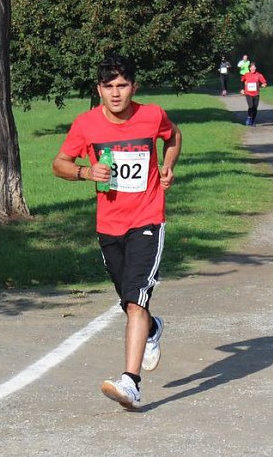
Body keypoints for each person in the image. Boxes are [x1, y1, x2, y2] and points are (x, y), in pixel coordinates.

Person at [52, 54, 182, 410]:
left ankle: (131, 382)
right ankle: (153, 329)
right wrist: (84, 173)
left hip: (148, 218)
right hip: (109, 224)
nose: (115, 93)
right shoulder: (86, 124)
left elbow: (173, 137)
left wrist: (168, 167)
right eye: (108, 87)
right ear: (99, 90)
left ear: (133, 87)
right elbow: (59, 164)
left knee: (136, 297)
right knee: (128, 298)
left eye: (122, 85)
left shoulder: (151, 115)